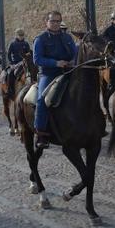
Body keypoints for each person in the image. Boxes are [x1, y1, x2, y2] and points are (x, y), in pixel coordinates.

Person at [33, 11, 77, 149]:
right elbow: (37, 59)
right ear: (47, 22)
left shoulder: (68, 38)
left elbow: (76, 54)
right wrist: (56, 63)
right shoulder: (40, 39)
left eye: (58, 21)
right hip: (49, 74)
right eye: (53, 21)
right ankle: (41, 134)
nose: (56, 24)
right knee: (41, 100)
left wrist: (72, 62)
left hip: (68, 71)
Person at [6, 29, 31, 96]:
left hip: (24, 62)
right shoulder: (12, 44)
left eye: (22, 35)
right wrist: (11, 63)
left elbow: (28, 54)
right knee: (10, 73)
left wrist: (27, 59)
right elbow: (8, 54)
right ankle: (10, 90)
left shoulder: (26, 44)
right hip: (15, 63)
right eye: (20, 35)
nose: (21, 37)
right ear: (16, 35)